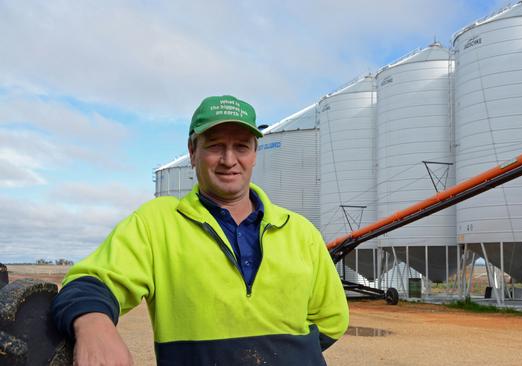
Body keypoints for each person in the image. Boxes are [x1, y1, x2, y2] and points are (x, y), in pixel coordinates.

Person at [51, 95, 349, 365]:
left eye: (241, 146)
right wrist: (93, 325)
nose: (229, 160)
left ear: (255, 154)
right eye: (216, 145)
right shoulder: (158, 224)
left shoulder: (299, 232)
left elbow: (331, 318)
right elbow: (90, 281)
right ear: (193, 152)